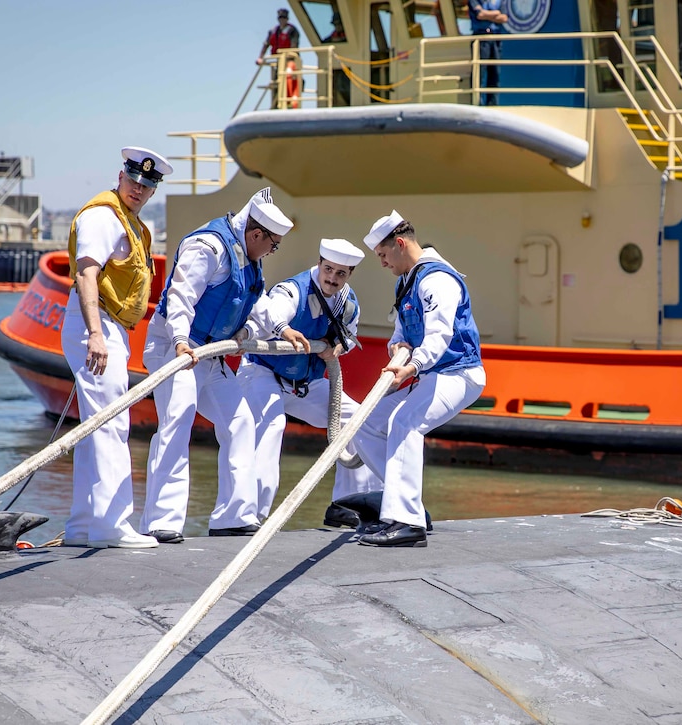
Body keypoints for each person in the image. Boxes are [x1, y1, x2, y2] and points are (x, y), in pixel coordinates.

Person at [140, 188, 297, 543]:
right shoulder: (209, 248)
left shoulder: (249, 258)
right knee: (177, 422)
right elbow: (182, 295)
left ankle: (234, 516)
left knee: (240, 421)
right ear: (256, 234)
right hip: (178, 348)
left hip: (211, 355)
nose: (272, 252)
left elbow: (252, 302)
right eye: (273, 245)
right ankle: (161, 521)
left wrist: (279, 329)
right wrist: (180, 341)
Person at [350, 211, 486, 548]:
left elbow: (439, 335)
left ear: (399, 244)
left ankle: (408, 524)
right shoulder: (405, 282)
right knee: (365, 423)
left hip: (459, 373)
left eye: (382, 255)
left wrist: (411, 367)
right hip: (431, 376)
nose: (382, 263)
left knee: (405, 423)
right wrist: (396, 347)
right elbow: (401, 331)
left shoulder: (436, 280)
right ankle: (407, 506)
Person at [60, 146, 173, 549]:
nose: (139, 189)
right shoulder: (102, 217)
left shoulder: (132, 223)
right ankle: (113, 525)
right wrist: (95, 334)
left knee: (96, 428)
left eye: (148, 184)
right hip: (97, 324)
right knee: (111, 424)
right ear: (120, 175)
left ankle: (83, 526)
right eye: (134, 180)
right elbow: (87, 273)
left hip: (108, 326)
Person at [236, 237, 379, 526]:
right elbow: (271, 316)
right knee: (271, 426)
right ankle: (251, 515)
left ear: (349, 275)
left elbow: (348, 338)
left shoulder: (348, 304)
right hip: (263, 371)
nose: (332, 278)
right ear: (319, 264)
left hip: (305, 381)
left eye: (340, 273)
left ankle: (350, 504)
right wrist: (284, 330)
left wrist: (336, 347)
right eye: (328, 269)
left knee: (361, 420)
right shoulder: (293, 291)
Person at [469, 0, 508, 106]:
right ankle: (477, 103)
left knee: (495, 73)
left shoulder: (500, 1)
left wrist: (487, 14)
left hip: (495, 37)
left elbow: (504, 18)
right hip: (480, 37)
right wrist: (495, 14)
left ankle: (492, 104)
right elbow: (480, 15)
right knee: (479, 72)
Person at [258, 7, 301, 81]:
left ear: (287, 19)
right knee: (277, 79)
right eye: (280, 18)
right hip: (279, 60)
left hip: (291, 60)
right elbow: (266, 44)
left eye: (284, 18)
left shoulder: (292, 31)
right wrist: (260, 57)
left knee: (292, 79)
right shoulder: (273, 31)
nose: (282, 20)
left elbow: (294, 46)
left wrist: (289, 57)